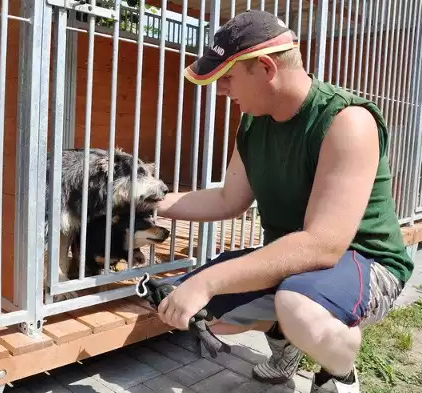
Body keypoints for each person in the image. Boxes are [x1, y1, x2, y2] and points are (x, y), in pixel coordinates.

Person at [155, 9, 413, 393]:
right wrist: (145, 204)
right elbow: (228, 200)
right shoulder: (254, 121)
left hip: (366, 263)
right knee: (179, 305)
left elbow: (323, 246)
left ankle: (337, 368)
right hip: (294, 263)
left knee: (297, 304)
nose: (221, 90)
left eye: (226, 77)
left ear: (264, 68)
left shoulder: (347, 120)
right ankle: (288, 338)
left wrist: (210, 281)